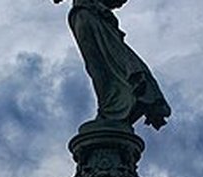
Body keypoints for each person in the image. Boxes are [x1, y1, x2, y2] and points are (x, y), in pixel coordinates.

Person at [55, 0, 171, 130]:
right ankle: (110, 108)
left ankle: (114, 108)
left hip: (93, 16)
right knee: (98, 67)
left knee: (112, 63)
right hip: (84, 15)